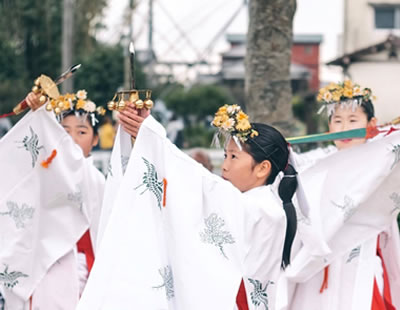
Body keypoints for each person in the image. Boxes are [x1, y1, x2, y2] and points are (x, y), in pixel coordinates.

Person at [77, 104, 302, 310]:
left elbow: (203, 186)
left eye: (234, 157)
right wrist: (151, 139)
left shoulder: (263, 207)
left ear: (262, 169)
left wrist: (154, 140)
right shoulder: (260, 203)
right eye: (225, 155)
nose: (224, 166)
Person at [281, 81, 400, 310]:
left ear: (371, 124)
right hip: (315, 265)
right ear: (328, 127)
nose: (345, 128)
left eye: (353, 121)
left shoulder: (382, 163)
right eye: (337, 121)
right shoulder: (314, 162)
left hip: (360, 254)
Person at [0, 89, 105, 310]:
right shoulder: (41, 174)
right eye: (64, 132)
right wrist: (41, 115)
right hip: (43, 264)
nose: (72, 139)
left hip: (85, 265)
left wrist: (44, 113)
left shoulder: (94, 178)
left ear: (95, 139)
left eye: (82, 132)